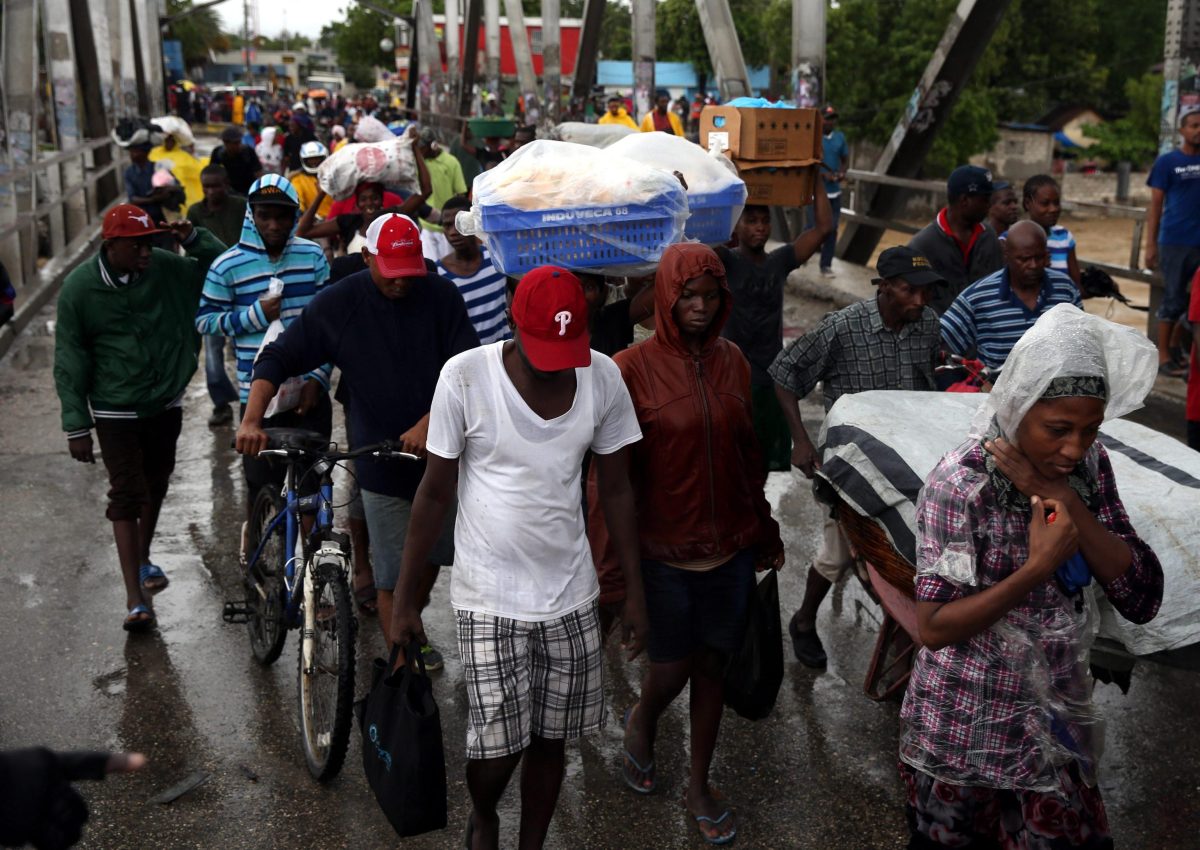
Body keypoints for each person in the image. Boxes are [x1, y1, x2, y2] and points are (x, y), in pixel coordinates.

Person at [390, 266, 648, 850]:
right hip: (488, 596)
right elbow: (434, 492)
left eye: (567, 349)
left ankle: (532, 841)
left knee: (553, 739)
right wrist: (407, 599)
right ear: (511, 316)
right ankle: (485, 815)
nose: (556, 363)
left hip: (571, 594)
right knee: (498, 745)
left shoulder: (603, 377)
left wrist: (633, 592)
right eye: (543, 348)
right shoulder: (465, 377)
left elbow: (617, 491)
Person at [900, 304, 1162, 849]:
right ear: (1017, 406)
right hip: (968, 725)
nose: (1074, 447)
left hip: (1053, 721)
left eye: (1090, 430)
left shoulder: (1086, 470)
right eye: (1058, 430)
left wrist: (1064, 499)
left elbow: (1141, 595)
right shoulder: (962, 485)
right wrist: (1039, 566)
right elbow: (935, 626)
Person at [237, 214, 479, 666]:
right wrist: (252, 419)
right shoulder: (340, 304)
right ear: (367, 257)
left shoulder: (441, 296)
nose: (402, 283)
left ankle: (410, 621)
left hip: (442, 456)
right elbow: (278, 356)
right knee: (390, 575)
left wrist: (431, 421)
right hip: (379, 457)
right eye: (391, 272)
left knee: (431, 557)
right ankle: (401, 677)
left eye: (410, 271)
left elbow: (468, 370)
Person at [612, 244, 784, 845]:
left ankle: (699, 782)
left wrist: (763, 526)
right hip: (662, 554)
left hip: (730, 549)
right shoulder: (628, 368)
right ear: (664, 297)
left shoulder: (735, 361)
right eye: (688, 296)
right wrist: (619, 580)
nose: (701, 308)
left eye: (711, 297)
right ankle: (644, 717)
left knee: (714, 664)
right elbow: (613, 483)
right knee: (672, 666)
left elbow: (747, 458)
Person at [54, 205, 226, 631]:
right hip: (115, 407)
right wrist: (77, 424)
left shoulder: (167, 268)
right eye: (137, 245)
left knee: (156, 482)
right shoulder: (79, 289)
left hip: (164, 400)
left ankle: (144, 558)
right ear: (111, 245)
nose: (147, 251)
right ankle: (135, 599)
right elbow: (70, 357)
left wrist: (194, 238)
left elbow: (225, 268)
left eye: (151, 241)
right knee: (127, 493)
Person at [770, 246, 943, 667]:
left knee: (905, 552)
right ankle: (805, 621)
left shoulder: (929, 326)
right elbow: (784, 374)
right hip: (852, 466)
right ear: (883, 287)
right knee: (839, 553)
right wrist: (802, 441)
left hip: (909, 464)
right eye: (909, 291)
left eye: (925, 292)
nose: (919, 301)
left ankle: (903, 636)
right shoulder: (842, 328)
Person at [195, 174, 333, 518]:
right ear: (251, 216)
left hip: (308, 396)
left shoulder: (312, 256)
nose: (274, 224)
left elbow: (331, 324)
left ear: (294, 215)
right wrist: (255, 315)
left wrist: (317, 379)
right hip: (257, 398)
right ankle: (257, 550)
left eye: (283, 216)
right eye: (264, 216)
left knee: (311, 489)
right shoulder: (227, 265)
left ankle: (308, 566)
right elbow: (205, 320)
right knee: (261, 486)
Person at [716, 182, 832, 473]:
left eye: (765, 221)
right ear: (736, 227)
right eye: (751, 220)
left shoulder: (778, 262)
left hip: (771, 379)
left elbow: (822, 228)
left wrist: (813, 176)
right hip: (734, 380)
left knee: (762, 467)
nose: (760, 227)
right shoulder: (725, 261)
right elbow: (691, 240)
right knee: (730, 466)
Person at [941, 220, 1082, 370]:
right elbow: (941, 342)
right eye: (1024, 259)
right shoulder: (977, 297)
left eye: (1039, 257)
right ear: (1006, 255)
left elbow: (1082, 344)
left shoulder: (1066, 290)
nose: (1033, 265)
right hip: (997, 391)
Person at [186, 164, 246, 427]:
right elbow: (192, 248)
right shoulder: (195, 212)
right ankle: (221, 403)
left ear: (226, 184)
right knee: (211, 350)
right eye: (206, 187)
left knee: (249, 344)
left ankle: (254, 399)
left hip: (244, 283)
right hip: (212, 287)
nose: (211, 192)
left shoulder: (241, 207)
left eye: (215, 186)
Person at [1145, 106, 1200, 378]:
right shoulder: (1167, 162)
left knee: (1195, 300)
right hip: (1175, 241)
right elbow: (1155, 206)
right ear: (1182, 130)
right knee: (1173, 299)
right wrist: (1150, 245)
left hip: (1198, 243)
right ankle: (1163, 355)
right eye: (1193, 125)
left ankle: (1178, 343)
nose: (1198, 130)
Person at [908, 165, 1005, 314]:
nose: (989, 204)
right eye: (985, 199)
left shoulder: (988, 236)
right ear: (964, 200)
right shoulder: (923, 244)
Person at [436, 195, 510, 344]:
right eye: (447, 226)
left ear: (473, 222)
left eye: (459, 224)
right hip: (470, 359)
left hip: (505, 352)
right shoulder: (440, 275)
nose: (452, 232)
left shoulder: (496, 257)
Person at [417, 128, 468, 262]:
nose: (419, 151)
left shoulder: (451, 162)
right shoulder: (420, 164)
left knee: (449, 262)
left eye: (422, 148)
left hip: (448, 226)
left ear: (433, 145)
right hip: (427, 225)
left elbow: (461, 193)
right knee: (430, 264)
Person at [1022, 174, 1080, 288]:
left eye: (1057, 203)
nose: (1054, 209)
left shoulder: (1064, 236)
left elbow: (1075, 286)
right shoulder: (1011, 240)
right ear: (1027, 203)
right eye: (1045, 203)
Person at [812, 105, 849, 276]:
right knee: (812, 227)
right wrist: (822, 175)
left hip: (835, 192)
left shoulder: (840, 138)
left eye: (832, 118)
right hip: (818, 193)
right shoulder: (813, 138)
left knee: (832, 229)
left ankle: (825, 265)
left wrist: (842, 173)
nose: (830, 122)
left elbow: (845, 159)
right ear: (821, 120)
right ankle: (802, 255)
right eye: (827, 118)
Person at [149, 129, 203, 209]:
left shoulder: (183, 156)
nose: (169, 143)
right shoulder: (155, 152)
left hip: (176, 191)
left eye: (172, 141)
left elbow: (193, 170)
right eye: (167, 140)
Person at [208, 126, 262, 195]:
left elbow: (258, 172)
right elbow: (212, 173)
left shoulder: (248, 151)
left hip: (248, 190)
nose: (239, 145)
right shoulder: (218, 153)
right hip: (229, 191)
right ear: (225, 143)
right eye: (235, 143)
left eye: (239, 142)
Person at [291, 141, 333, 220]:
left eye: (317, 159)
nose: (314, 162)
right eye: (310, 159)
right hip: (314, 222)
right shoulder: (298, 180)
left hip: (337, 219)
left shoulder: (334, 175)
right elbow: (298, 204)